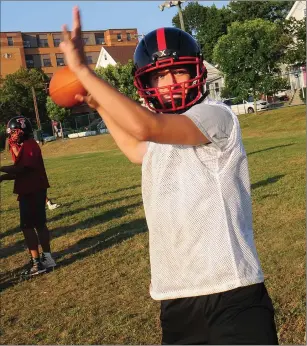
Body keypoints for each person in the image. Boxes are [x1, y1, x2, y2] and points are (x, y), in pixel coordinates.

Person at [58, 7, 278, 344]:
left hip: (231, 291)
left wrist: (85, 72)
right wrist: (99, 103)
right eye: (160, 76)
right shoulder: (161, 137)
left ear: (196, 72)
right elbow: (136, 149)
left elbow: (145, 127)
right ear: (145, 83)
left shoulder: (216, 116)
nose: (171, 83)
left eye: (177, 71)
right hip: (175, 296)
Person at [0, 116, 56, 277]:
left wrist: (2, 169)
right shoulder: (26, 145)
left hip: (31, 190)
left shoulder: (29, 145)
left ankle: (37, 263)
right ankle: (48, 259)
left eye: (14, 132)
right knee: (39, 225)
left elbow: (23, 169)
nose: (12, 136)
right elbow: (21, 171)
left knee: (28, 227)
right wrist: (3, 177)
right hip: (34, 188)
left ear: (22, 130)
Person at [7, 134, 61, 211]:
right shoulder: (14, 146)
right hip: (24, 170)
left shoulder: (24, 143)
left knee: (36, 188)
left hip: (26, 169)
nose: (17, 135)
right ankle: (45, 205)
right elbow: (20, 157)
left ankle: (48, 204)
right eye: (15, 134)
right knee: (33, 189)